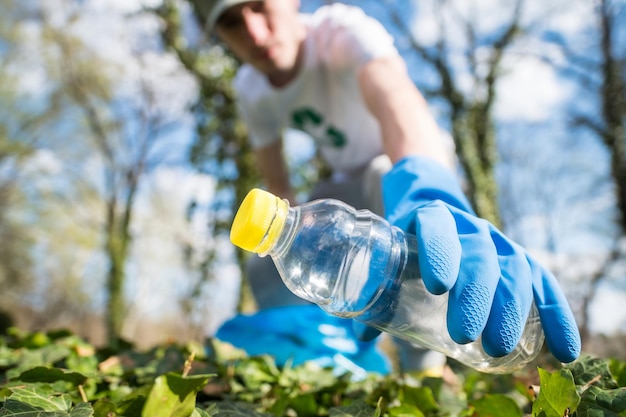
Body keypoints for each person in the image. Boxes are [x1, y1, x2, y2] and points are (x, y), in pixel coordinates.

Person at [191, 0, 582, 375]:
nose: (255, 33)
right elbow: (279, 191)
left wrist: (428, 187)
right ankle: (317, 353)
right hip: (346, 184)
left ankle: (425, 370)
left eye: (259, 6)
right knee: (267, 260)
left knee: (384, 178)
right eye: (231, 23)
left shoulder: (341, 32)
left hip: (406, 164)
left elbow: (396, 99)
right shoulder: (251, 88)